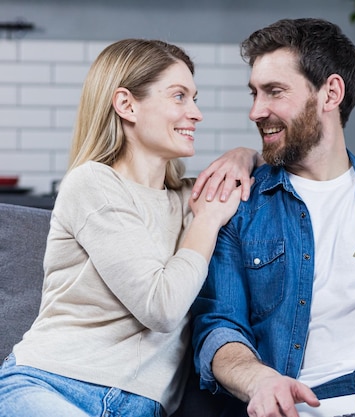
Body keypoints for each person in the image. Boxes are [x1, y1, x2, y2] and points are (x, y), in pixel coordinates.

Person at [190, 18, 355, 417]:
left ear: (330, 92)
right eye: (255, 93)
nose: (256, 111)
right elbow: (218, 327)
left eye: (274, 92)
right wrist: (259, 380)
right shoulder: (240, 205)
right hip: (312, 403)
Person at [0, 39, 259, 417]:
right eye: (179, 96)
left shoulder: (193, 196)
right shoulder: (92, 184)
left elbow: (286, 160)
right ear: (127, 104)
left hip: (140, 407)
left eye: (195, 98)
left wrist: (244, 154)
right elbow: (162, 307)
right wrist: (206, 220)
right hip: (50, 384)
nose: (196, 113)